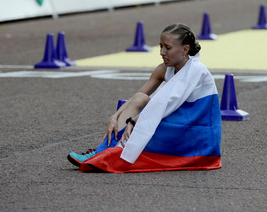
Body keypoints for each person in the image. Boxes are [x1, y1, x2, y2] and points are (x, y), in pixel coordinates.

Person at [67, 23, 222, 173]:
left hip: (195, 132)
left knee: (139, 127)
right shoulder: (163, 69)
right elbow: (138, 97)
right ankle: (104, 150)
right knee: (140, 99)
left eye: (168, 47)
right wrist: (115, 117)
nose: (162, 52)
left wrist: (134, 121)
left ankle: (107, 151)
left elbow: (166, 103)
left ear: (185, 49)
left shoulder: (196, 70)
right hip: (176, 122)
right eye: (160, 46)